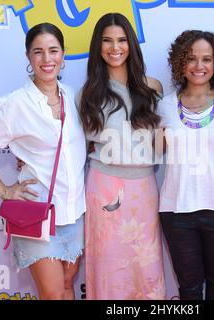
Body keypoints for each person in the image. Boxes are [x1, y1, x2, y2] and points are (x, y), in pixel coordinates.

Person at [0, 23, 86, 300]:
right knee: (53, 293)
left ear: (63, 54)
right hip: (38, 215)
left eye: (53, 51)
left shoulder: (73, 96)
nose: (47, 60)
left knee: (68, 285)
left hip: (75, 213)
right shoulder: (13, 104)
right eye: (39, 52)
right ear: (28, 57)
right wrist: (4, 190)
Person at [79, 12, 166, 300]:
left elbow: (163, 141)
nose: (115, 48)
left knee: (145, 264)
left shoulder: (152, 87)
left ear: (131, 44)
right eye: (107, 41)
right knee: (108, 264)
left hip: (144, 188)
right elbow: (73, 144)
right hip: (104, 187)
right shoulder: (88, 94)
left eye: (121, 40)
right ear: (98, 46)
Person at [157, 30, 214, 300]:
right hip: (177, 209)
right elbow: (147, 148)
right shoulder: (164, 107)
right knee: (189, 289)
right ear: (180, 63)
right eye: (191, 58)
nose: (199, 66)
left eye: (207, 59)